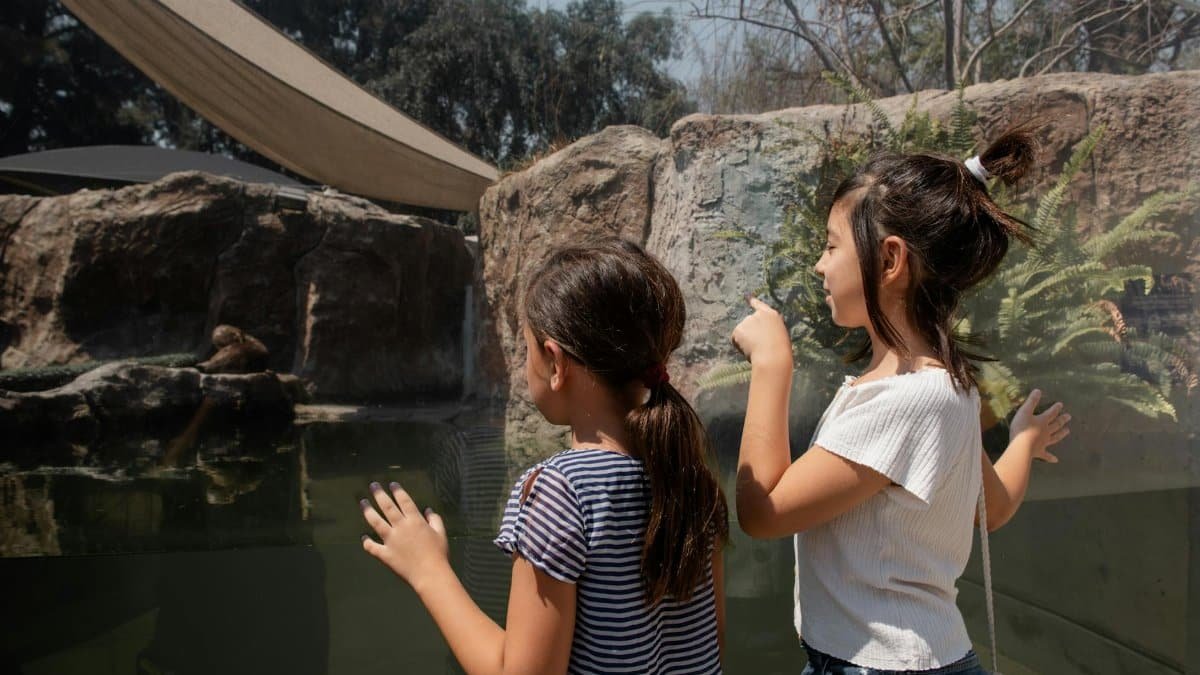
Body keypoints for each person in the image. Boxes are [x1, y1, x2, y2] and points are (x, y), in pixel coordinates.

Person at [730, 129, 1072, 674]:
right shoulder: (947, 390)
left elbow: (762, 512)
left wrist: (773, 365)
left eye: (832, 244)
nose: (820, 264)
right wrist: (1024, 443)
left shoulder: (908, 402)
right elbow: (992, 508)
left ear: (889, 260)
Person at [360, 238, 728, 675]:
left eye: (526, 348)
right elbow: (712, 640)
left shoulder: (560, 491)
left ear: (555, 362)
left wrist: (428, 569)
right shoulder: (691, 475)